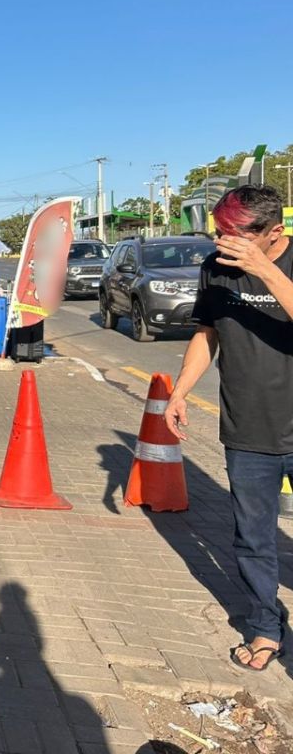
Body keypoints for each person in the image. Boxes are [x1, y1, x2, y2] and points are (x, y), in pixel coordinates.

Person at [164, 185, 293, 673]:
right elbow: (208, 333)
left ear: (274, 232)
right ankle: (264, 628)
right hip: (247, 428)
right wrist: (179, 392)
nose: (223, 243)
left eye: (235, 235)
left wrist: (263, 271)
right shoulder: (215, 267)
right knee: (253, 538)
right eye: (218, 233)